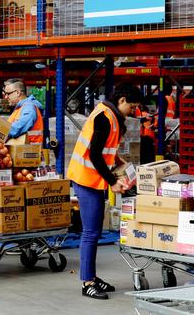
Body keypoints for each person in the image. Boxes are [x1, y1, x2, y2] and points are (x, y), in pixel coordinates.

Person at [67, 83, 143, 300]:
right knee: (91, 232)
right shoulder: (104, 117)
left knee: (95, 231)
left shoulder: (112, 116)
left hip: (93, 179)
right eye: (132, 106)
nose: (133, 111)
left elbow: (105, 152)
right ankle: (87, 282)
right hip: (86, 179)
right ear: (122, 101)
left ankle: (91, 275)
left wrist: (119, 162)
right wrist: (112, 181)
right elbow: (94, 156)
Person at [3, 78, 44, 144]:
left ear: (18, 93)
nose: (6, 97)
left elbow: (16, 129)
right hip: (21, 151)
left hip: (30, 152)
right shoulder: (20, 108)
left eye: (8, 94)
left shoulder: (29, 108)